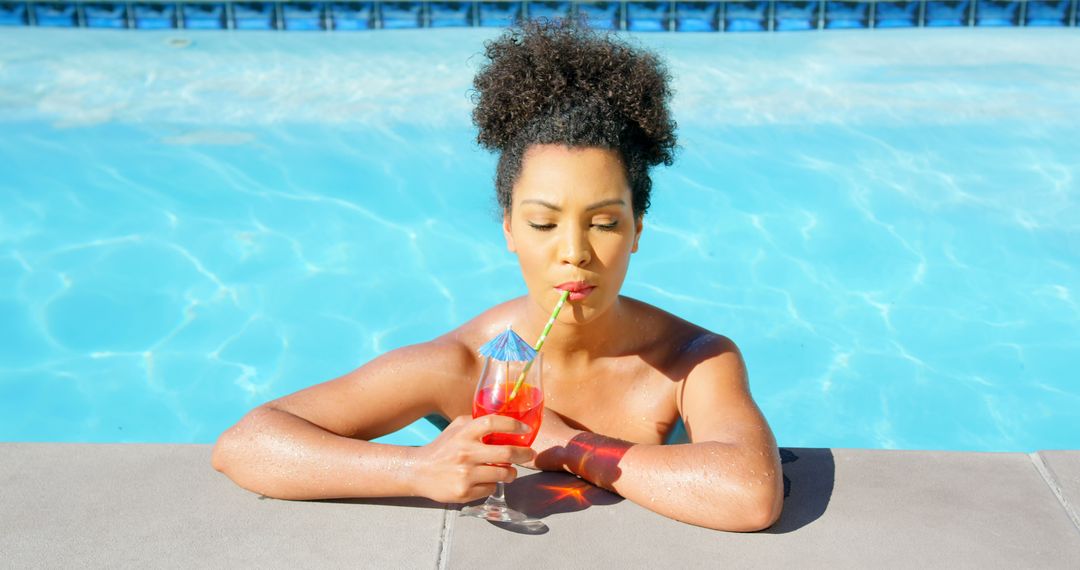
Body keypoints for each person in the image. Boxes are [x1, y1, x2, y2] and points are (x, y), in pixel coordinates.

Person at [212, 19, 783, 532]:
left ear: (637, 229)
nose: (574, 252)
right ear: (509, 228)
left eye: (605, 222)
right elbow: (247, 444)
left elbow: (749, 495)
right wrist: (416, 469)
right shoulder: (464, 366)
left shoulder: (691, 359)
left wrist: (563, 442)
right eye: (543, 223)